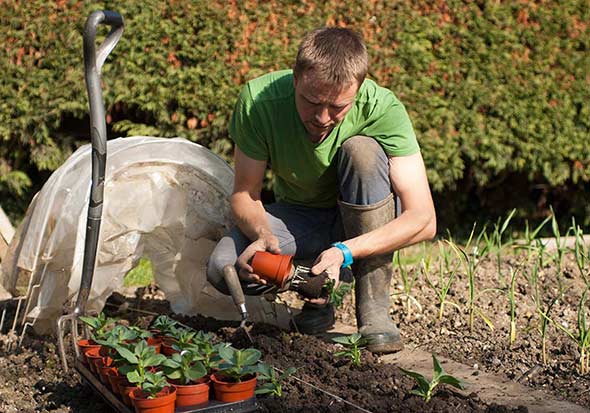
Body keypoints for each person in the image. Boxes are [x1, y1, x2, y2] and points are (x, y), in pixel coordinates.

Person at [207, 27, 436, 354]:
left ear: (357, 89)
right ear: (295, 78)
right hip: (303, 218)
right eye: (311, 101)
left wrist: (345, 251)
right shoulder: (259, 101)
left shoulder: (382, 108)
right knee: (223, 267)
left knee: (363, 152)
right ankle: (318, 289)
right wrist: (261, 235)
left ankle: (374, 312)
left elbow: (424, 219)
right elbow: (245, 193)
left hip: (368, 218)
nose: (322, 117)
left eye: (338, 107)